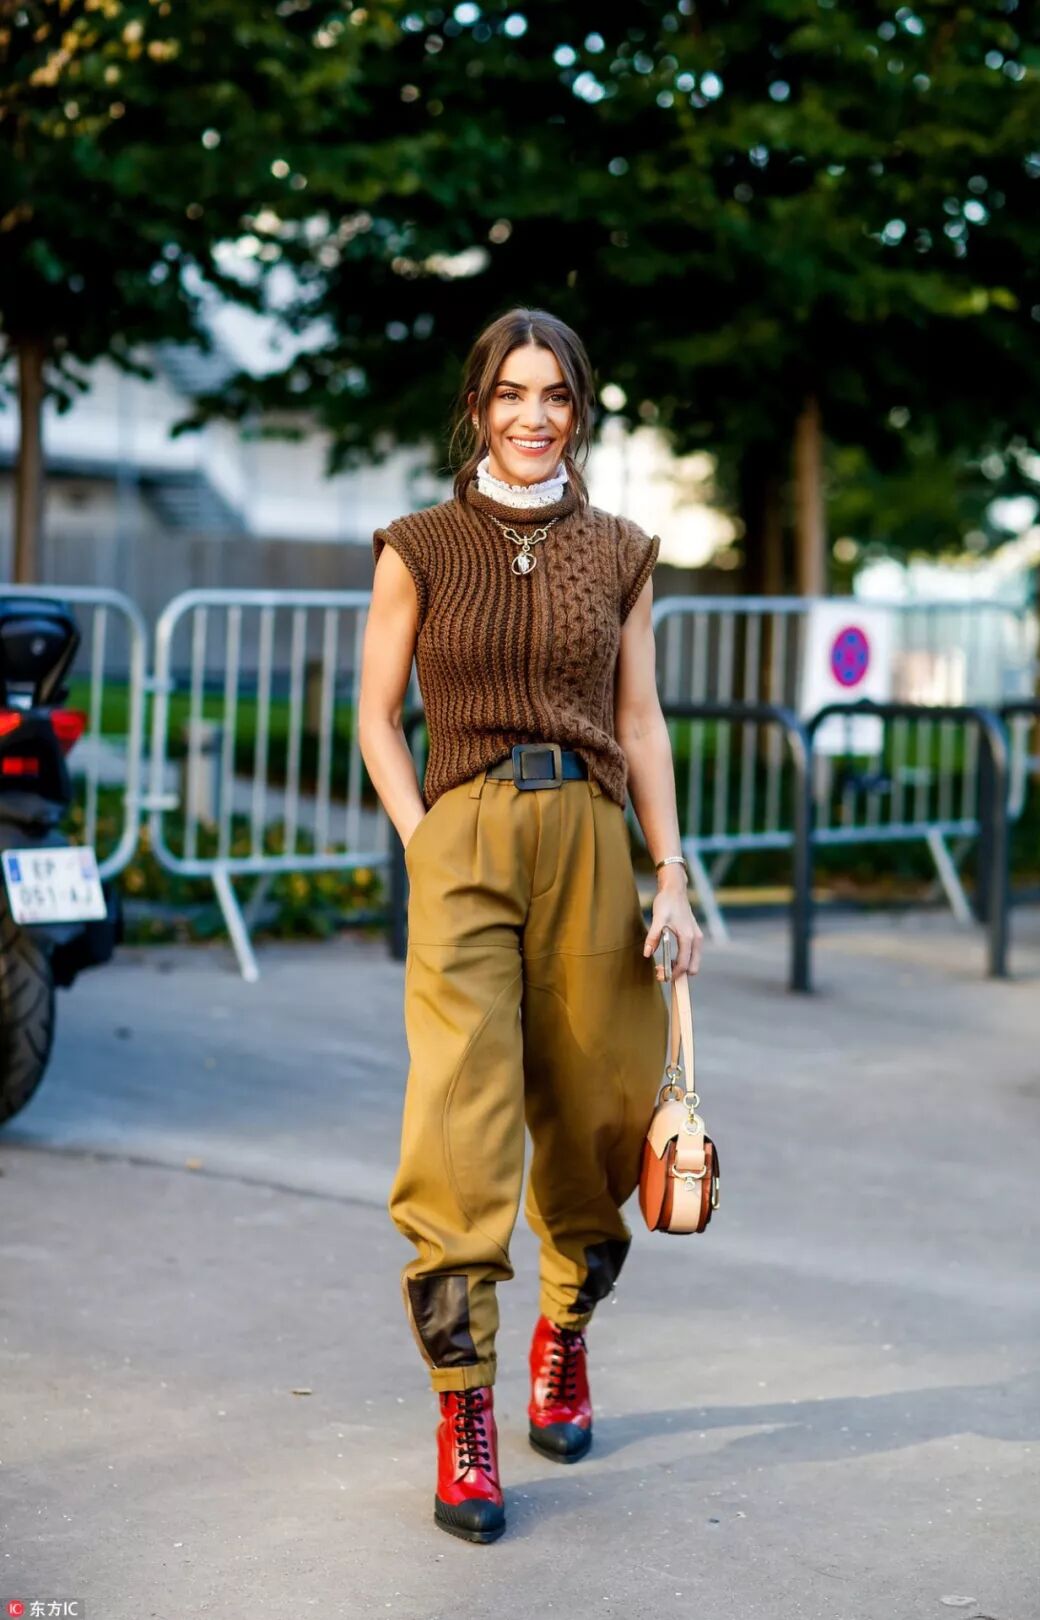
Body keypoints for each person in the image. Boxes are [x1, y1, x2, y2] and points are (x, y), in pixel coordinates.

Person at [358, 306, 703, 1544]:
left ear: (579, 411)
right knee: (458, 1121)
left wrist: (671, 873)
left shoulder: (621, 551)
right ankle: (466, 1412)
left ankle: (566, 1329)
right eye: (510, 393)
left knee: (599, 1111)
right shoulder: (419, 546)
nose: (532, 415)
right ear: (476, 407)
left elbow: (642, 720)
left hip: (593, 844)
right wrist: (425, 841)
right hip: (464, 837)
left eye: (554, 394)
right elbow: (375, 715)